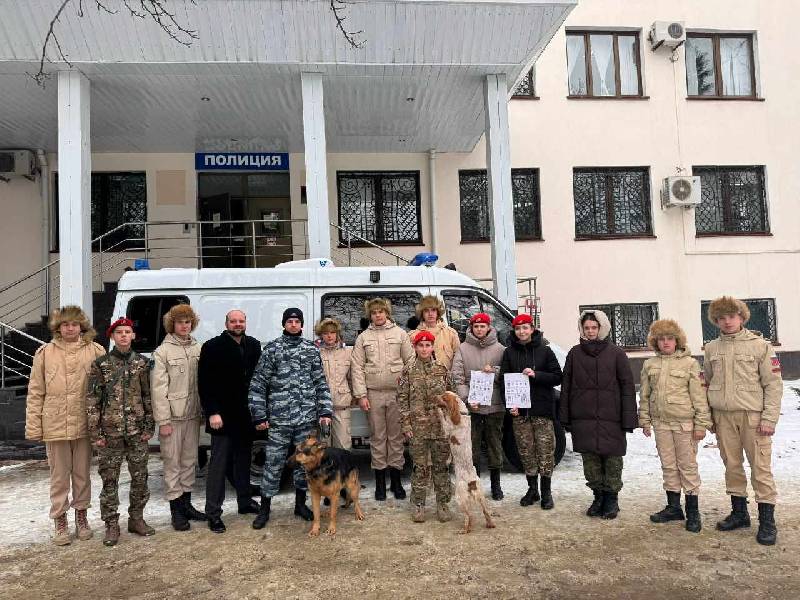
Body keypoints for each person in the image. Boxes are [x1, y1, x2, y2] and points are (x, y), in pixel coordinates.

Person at [704, 296, 783, 546]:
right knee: (732, 466)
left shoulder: (760, 346)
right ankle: (739, 513)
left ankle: (767, 522)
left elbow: (773, 385)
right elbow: (706, 382)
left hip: (753, 418)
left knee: (760, 468)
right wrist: (709, 417)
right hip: (723, 418)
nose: (727, 322)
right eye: (721, 318)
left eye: (732, 316)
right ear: (715, 321)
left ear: (742, 317)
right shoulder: (711, 348)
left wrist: (769, 418)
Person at [25, 305, 105, 545]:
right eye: (65, 325)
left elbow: (104, 390)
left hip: (84, 423)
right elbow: (35, 392)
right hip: (55, 424)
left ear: (82, 326)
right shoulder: (45, 353)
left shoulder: (95, 351)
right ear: (58, 328)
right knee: (59, 477)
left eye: (74, 324)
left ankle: (82, 516)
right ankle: (60, 519)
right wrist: (34, 426)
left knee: (82, 474)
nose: (70, 329)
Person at [248, 308, 333, 529]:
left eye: (297, 321)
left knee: (303, 465)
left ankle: (300, 505)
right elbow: (258, 384)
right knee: (273, 463)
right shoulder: (272, 349)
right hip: (279, 419)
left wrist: (325, 411)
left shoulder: (310, 350)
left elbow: (320, 382)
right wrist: (259, 414)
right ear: (284, 324)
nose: (293, 324)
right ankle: (265, 509)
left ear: (302, 324)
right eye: (290, 321)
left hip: (305, 418)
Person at [559, 310, 637, 520]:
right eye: (587, 328)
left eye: (594, 327)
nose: (591, 331)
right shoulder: (574, 353)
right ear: (582, 330)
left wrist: (629, 418)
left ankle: (611, 498)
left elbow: (627, 387)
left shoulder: (617, 353)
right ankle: (598, 496)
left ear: (602, 328)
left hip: (612, 418)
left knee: (612, 461)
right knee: (590, 462)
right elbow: (566, 387)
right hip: (583, 418)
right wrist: (565, 417)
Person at [87, 317, 156, 546]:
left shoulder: (143, 364)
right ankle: (111, 524)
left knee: (140, 478)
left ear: (133, 336)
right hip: (110, 433)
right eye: (119, 332)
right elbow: (92, 401)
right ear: (112, 337)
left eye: (128, 332)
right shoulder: (101, 365)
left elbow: (148, 397)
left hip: (137, 432)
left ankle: (136, 519)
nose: (124, 335)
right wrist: (96, 433)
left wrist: (148, 426)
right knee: (110, 481)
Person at [639, 319, 712, 533]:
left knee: (687, 466)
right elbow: (645, 395)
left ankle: (693, 512)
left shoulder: (690, 364)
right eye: (660, 339)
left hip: (684, 425)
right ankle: (673, 507)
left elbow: (699, 397)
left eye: (669, 338)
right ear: (655, 342)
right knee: (668, 466)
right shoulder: (649, 365)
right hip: (661, 424)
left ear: (677, 340)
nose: (665, 343)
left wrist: (701, 425)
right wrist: (645, 420)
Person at [198, 309, 263, 534]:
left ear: (246, 323)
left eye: (241, 321)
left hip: (246, 416)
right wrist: (212, 412)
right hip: (222, 417)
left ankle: (244, 502)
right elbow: (205, 383)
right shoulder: (212, 347)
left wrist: (260, 412)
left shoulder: (254, 345)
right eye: (233, 321)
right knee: (218, 466)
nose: (237, 324)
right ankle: (213, 513)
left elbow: (259, 380)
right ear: (226, 323)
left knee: (243, 461)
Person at [351, 298, 414, 501]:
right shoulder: (363, 338)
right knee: (378, 438)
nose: (378, 315)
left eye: (381, 311)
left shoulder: (400, 334)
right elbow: (357, 367)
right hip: (373, 394)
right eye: (374, 312)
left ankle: (396, 482)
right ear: (370, 315)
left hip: (397, 394)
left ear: (387, 313)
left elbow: (411, 361)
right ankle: (380, 483)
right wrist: (360, 395)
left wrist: (408, 389)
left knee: (396, 438)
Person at [151, 303, 206, 531]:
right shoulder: (162, 352)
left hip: (193, 416)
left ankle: (187, 505)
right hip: (172, 419)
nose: (184, 326)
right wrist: (163, 421)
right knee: (172, 463)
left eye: (187, 322)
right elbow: (158, 390)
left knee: (189, 462)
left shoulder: (198, 348)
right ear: (171, 325)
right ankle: (176, 511)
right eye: (180, 322)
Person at [500, 313, 562, 509]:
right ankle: (532, 490)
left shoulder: (545, 351)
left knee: (545, 452)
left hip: (542, 410)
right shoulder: (509, 353)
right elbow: (503, 381)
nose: (522, 332)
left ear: (532, 329)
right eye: (518, 329)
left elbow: (557, 377)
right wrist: (510, 404)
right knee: (526, 452)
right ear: (514, 332)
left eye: (525, 328)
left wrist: (537, 375)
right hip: (520, 412)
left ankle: (546, 492)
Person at [398, 330, 454, 523]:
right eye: (420, 345)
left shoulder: (442, 369)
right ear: (415, 347)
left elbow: (451, 397)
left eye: (427, 345)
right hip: (418, 427)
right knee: (420, 468)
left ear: (432, 347)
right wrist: (406, 424)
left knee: (441, 467)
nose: (424, 349)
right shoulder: (408, 370)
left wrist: (452, 423)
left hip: (440, 427)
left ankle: (443, 504)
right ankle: (419, 504)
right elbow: (402, 399)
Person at [450, 312, 506, 500]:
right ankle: (476, 482)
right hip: (472, 407)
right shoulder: (463, 349)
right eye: (476, 326)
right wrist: (466, 398)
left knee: (494, 445)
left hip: (494, 405)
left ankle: (496, 485)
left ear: (489, 327)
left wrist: (495, 371)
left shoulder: (500, 349)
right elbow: (457, 377)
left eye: (483, 326)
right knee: (472, 447)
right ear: (471, 328)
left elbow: (507, 372)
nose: (479, 329)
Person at [315, 317, 354, 450]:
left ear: (337, 333)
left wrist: (355, 396)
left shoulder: (348, 352)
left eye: (332, 332)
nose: (329, 336)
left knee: (343, 447)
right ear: (321, 335)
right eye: (325, 333)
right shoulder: (315, 353)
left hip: (341, 407)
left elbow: (352, 378)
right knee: (322, 448)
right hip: (320, 410)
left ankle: (343, 472)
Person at [410, 295, 460, 369]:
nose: (430, 314)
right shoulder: (413, 336)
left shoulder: (450, 333)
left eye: (433, 310)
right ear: (422, 314)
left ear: (438, 312)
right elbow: (409, 361)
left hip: (446, 378)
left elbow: (458, 359)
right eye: (426, 310)